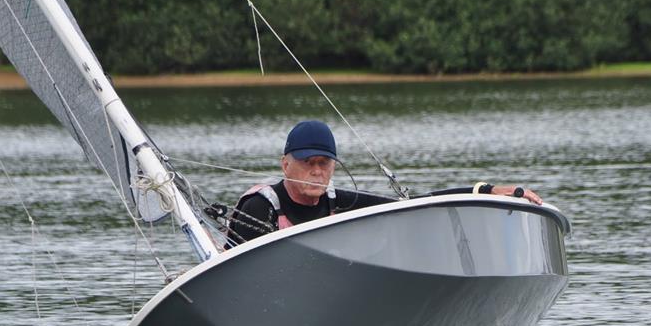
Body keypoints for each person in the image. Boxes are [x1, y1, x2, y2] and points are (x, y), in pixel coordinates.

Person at [226, 120, 542, 245]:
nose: (317, 172)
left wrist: (485, 191)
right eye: (308, 163)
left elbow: (413, 205)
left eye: (324, 164)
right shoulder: (261, 206)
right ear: (285, 164)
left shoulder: (339, 202)